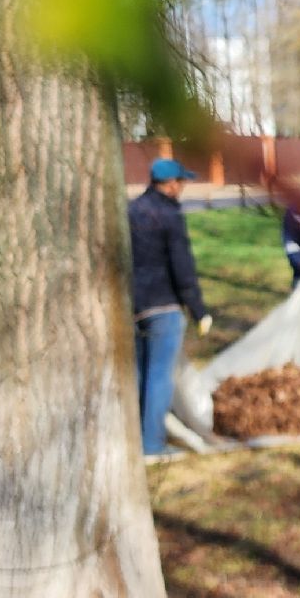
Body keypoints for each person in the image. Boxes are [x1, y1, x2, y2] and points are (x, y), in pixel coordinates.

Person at [128, 157, 211, 457]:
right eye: (182, 183)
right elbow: (182, 267)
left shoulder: (132, 210)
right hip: (163, 305)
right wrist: (198, 309)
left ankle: (135, 438)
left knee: (139, 373)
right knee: (160, 375)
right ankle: (152, 445)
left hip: (134, 306)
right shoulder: (169, 214)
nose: (182, 188)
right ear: (173, 184)